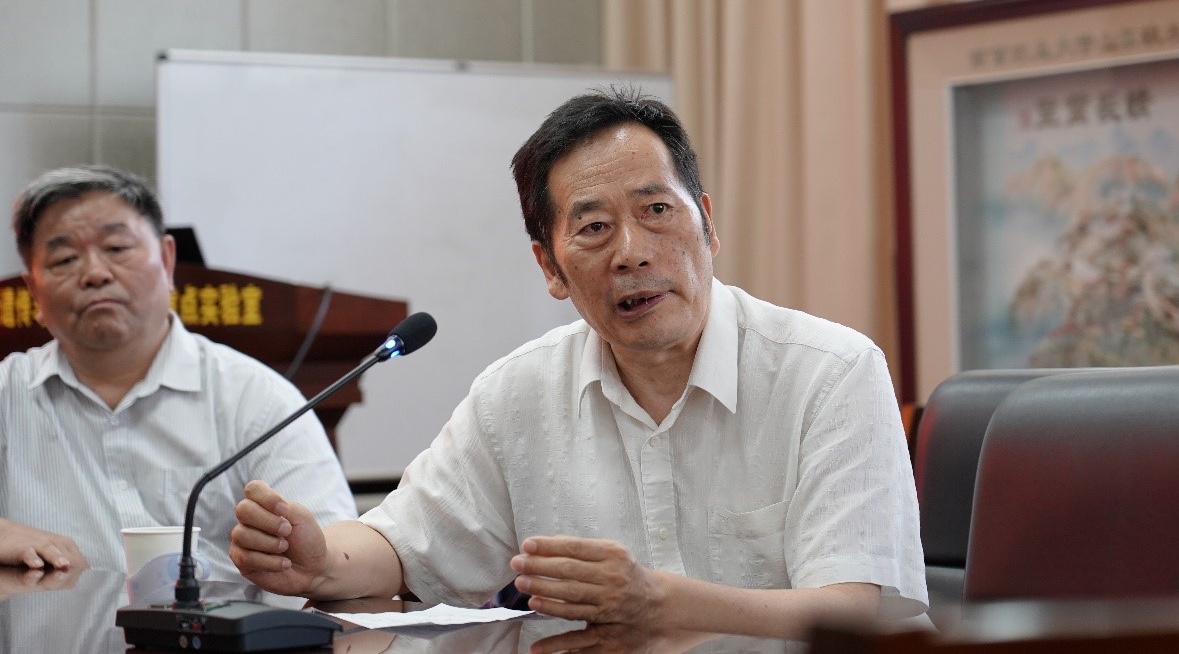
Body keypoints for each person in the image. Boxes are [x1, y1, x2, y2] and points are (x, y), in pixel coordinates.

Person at [231, 89, 927, 637]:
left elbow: (852, 612)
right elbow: (404, 545)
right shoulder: (519, 393)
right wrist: (319, 558)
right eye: (593, 227)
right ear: (549, 266)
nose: (632, 252)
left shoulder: (829, 372)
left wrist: (659, 601)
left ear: (708, 224)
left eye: (657, 210)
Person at [0, 165, 357, 581]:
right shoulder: (7, 395)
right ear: (34, 292)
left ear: (167, 261)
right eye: (64, 259)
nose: (95, 273)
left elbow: (330, 561)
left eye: (116, 248)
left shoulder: (256, 399)